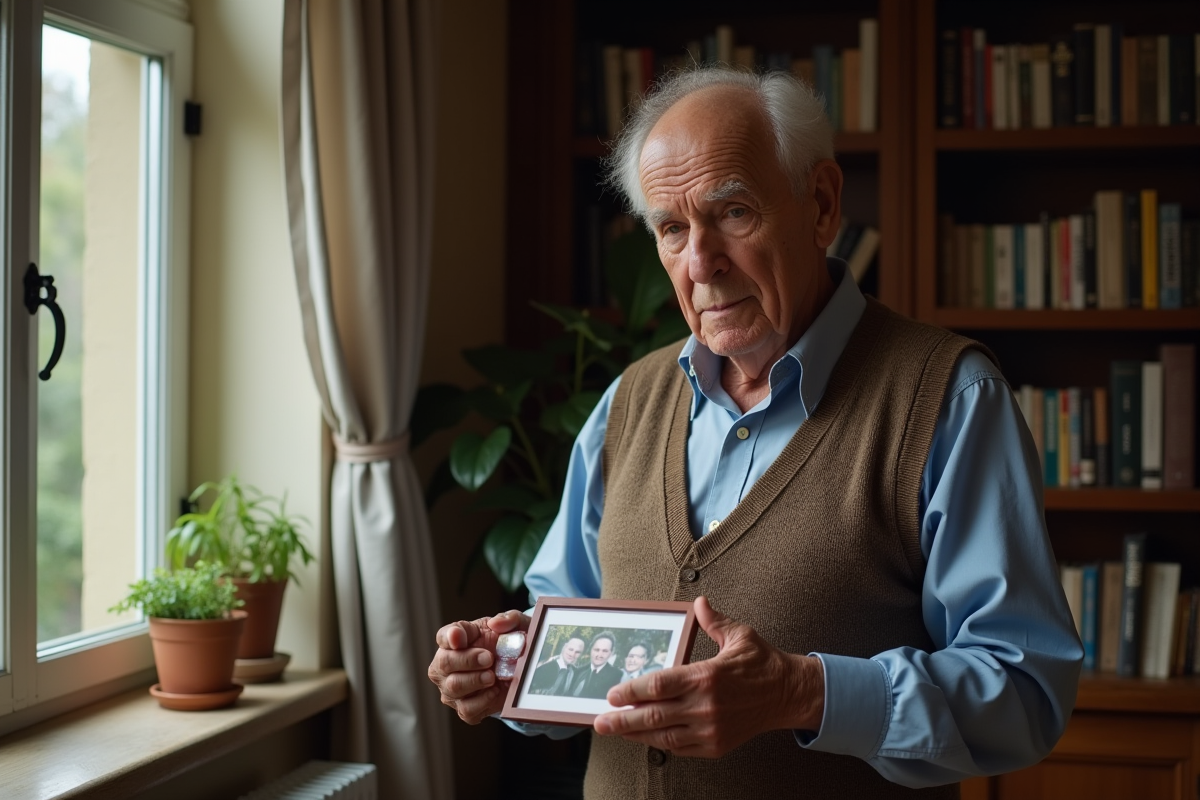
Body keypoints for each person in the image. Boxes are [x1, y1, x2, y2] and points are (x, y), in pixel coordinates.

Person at [428, 66, 1082, 799]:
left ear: (823, 205)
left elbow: (1025, 693)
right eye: (672, 229)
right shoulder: (626, 403)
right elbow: (564, 642)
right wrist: (501, 667)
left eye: (732, 212)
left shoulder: (951, 399)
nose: (700, 261)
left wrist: (804, 693)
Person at [569, 632, 623, 700]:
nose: (599, 655)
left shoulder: (617, 675)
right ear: (591, 650)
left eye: (605, 651)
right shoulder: (578, 671)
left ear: (611, 653)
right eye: (597, 650)